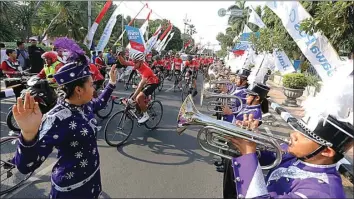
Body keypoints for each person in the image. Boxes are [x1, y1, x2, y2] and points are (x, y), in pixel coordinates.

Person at [12, 37, 118, 199]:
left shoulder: (85, 105)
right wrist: (28, 134)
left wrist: (111, 83)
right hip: (70, 190)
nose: (94, 87)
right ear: (78, 90)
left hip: (92, 180)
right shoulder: (57, 119)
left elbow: (100, 103)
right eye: (91, 84)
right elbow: (26, 166)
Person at [227, 80, 353, 199]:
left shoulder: (323, 192)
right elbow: (266, 157)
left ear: (327, 151)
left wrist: (248, 152)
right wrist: (247, 137)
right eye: (298, 130)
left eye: (304, 135)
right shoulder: (299, 155)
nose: (293, 134)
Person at [222, 83, 270, 199]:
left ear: (257, 98)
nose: (246, 96)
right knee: (228, 181)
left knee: (231, 187)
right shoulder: (248, 107)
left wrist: (230, 116)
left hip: (239, 150)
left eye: (249, 95)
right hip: (235, 145)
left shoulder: (255, 113)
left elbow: (241, 130)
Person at [129, 52, 159, 123]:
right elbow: (124, 62)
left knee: (138, 97)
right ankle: (140, 109)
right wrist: (119, 55)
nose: (134, 63)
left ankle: (146, 115)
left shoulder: (146, 70)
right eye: (133, 61)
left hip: (153, 83)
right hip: (147, 82)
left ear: (141, 62)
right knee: (136, 93)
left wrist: (133, 97)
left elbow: (141, 84)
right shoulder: (138, 64)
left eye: (135, 62)